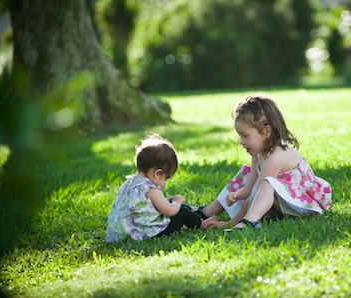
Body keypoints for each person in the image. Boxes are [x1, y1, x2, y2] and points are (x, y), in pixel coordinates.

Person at [198, 93, 332, 229]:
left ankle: (250, 221)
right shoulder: (258, 152)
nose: (242, 142)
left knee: (266, 183)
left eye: (245, 136)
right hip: (282, 202)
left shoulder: (277, 156)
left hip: (304, 205)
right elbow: (251, 186)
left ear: (266, 131)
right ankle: (206, 212)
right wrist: (238, 194)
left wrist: (232, 223)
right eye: (240, 136)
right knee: (247, 173)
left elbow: (256, 190)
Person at [106, 133, 212, 242]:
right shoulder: (151, 188)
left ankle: (199, 216)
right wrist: (177, 202)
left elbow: (142, 207)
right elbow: (170, 211)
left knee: (170, 202)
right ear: (157, 173)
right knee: (181, 212)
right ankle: (204, 224)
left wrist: (169, 201)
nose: (166, 182)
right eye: (166, 178)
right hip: (145, 235)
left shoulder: (130, 182)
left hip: (121, 235)